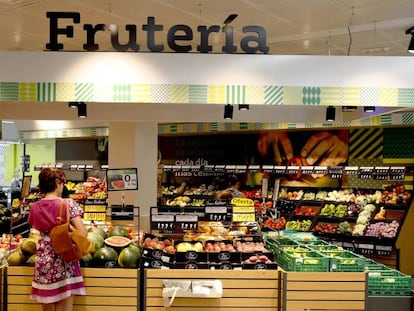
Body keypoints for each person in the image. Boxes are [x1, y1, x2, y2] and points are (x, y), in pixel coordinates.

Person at [28, 167, 88, 311]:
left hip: (44, 261)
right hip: (64, 257)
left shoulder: (34, 207)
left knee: (47, 306)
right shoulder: (68, 204)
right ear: (57, 183)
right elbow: (83, 232)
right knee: (65, 304)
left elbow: (36, 227)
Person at [256, 130, 349, 186]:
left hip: (325, 179)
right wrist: (267, 125)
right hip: (263, 165)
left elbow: (350, 118)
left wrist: (343, 140)